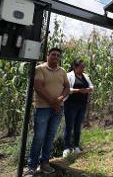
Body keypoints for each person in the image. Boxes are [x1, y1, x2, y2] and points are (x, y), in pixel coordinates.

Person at [24, 48, 70, 176]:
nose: (55, 57)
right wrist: (53, 103)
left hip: (58, 108)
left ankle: (45, 163)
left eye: (58, 55)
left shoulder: (63, 71)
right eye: (53, 54)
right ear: (47, 56)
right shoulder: (40, 69)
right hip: (43, 108)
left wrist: (60, 99)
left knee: (50, 137)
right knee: (39, 137)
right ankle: (32, 166)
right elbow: (38, 87)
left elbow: (66, 87)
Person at [63, 59, 94, 158]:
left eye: (83, 67)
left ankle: (76, 146)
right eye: (81, 67)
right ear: (75, 67)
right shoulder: (69, 75)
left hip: (82, 104)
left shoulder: (85, 76)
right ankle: (67, 148)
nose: (82, 68)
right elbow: (66, 89)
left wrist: (89, 89)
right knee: (69, 126)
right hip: (71, 105)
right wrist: (79, 90)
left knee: (77, 126)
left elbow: (91, 86)